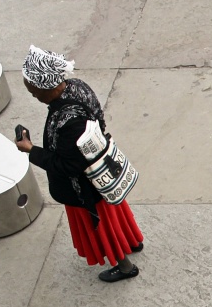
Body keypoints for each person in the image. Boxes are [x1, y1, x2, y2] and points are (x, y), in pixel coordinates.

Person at [15, 46, 143, 282]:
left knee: (101, 229)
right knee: (115, 215)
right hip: (102, 175)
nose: (34, 96)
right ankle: (133, 241)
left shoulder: (69, 122)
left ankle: (125, 267)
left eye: (34, 92)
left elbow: (67, 166)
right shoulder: (77, 87)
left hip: (84, 189)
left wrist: (31, 150)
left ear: (49, 86)